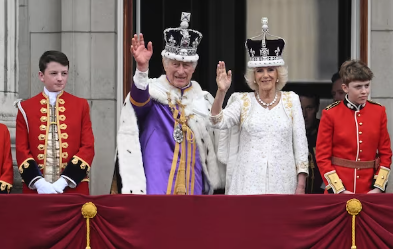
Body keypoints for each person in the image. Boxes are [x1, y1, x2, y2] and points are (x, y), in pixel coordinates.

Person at [114, 12, 223, 195]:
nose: (181, 71)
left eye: (186, 65)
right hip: (156, 182)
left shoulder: (202, 100)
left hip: (194, 184)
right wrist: (142, 70)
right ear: (165, 65)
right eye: (175, 64)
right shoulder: (153, 93)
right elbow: (138, 104)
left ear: (194, 68)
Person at [210, 17, 309, 195]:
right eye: (259, 71)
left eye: (270, 69)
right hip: (247, 183)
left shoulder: (291, 100)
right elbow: (217, 121)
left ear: (278, 74)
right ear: (253, 76)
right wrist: (221, 91)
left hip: (283, 182)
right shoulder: (242, 101)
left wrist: (301, 185)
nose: (265, 75)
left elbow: (301, 147)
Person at [16, 51, 94, 194]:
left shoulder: (81, 105)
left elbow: (88, 147)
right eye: (54, 73)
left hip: (73, 188)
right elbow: (21, 150)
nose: (60, 78)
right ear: (41, 76)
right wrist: (39, 183)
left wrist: (64, 181)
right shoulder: (25, 108)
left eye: (64, 73)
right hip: (36, 190)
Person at [316, 60, 391, 194]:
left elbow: (386, 154)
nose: (364, 91)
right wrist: (339, 190)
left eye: (367, 86)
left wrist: (378, 188)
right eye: (358, 87)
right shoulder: (330, 114)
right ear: (345, 88)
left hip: (370, 190)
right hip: (339, 189)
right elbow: (322, 157)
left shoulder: (378, 112)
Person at [299, 93, 324, 194]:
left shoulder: (325, 132)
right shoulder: (288, 134)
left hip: (322, 196)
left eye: (309, 108)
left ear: (317, 108)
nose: (304, 115)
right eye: (300, 109)